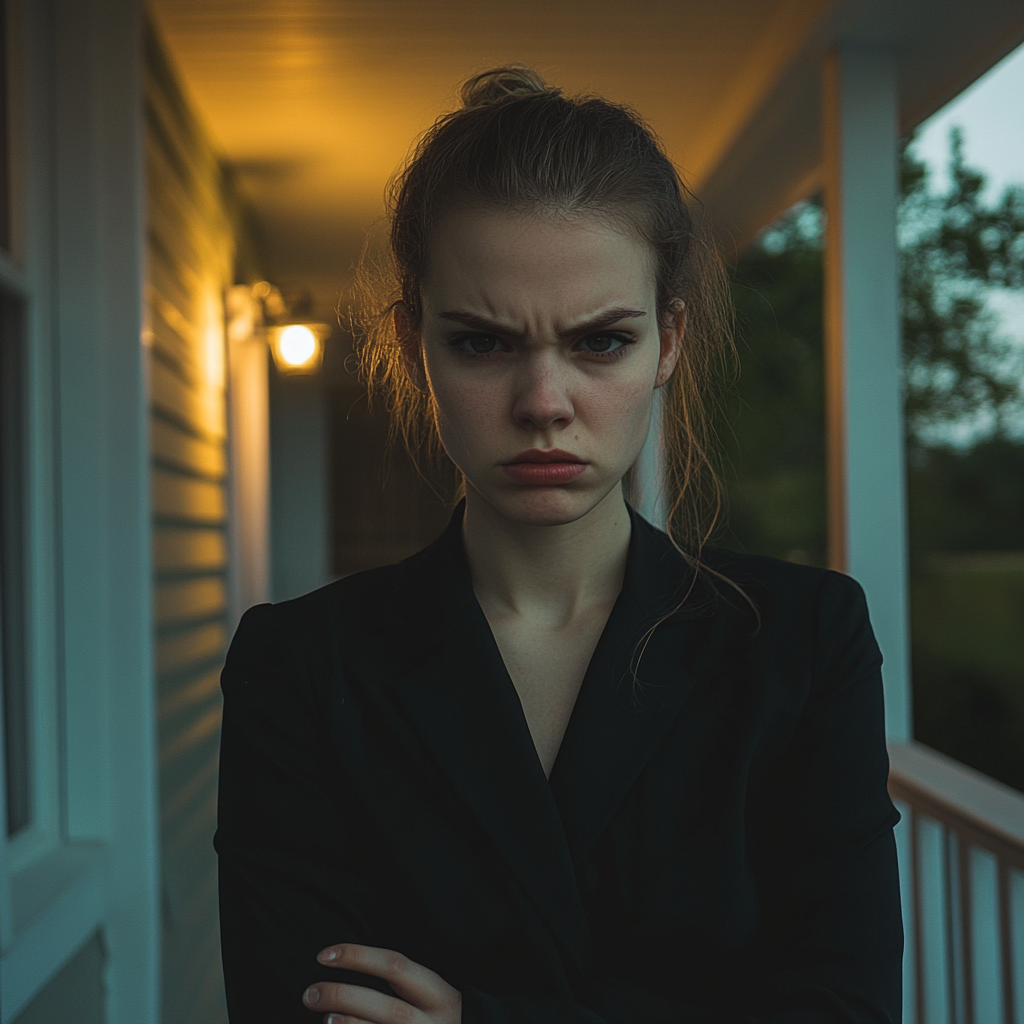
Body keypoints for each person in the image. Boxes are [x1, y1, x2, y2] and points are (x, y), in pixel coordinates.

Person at [215, 66, 903, 1023]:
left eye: (599, 342)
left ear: (667, 343)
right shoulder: (299, 667)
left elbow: (848, 1008)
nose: (544, 403)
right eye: (484, 344)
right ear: (416, 343)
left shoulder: (802, 642)